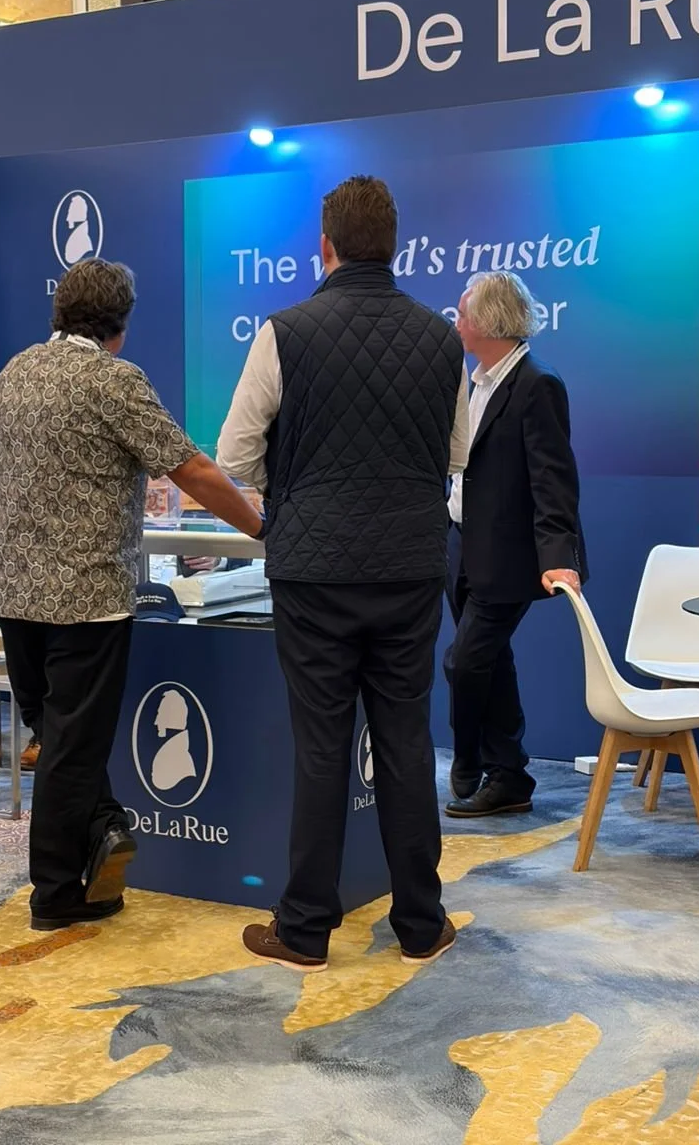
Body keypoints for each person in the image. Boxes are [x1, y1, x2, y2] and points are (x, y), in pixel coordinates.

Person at [218, 175, 469, 972]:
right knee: (405, 740)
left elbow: (233, 456)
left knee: (321, 747)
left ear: (323, 246)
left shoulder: (284, 330)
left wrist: (289, 501)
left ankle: (304, 931)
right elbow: (458, 454)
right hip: (409, 569)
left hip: (313, 574)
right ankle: (421, 924)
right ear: (393, 244)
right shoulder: (441, 339)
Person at [0, 258, 263, 932]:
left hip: (14, 594)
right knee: (74, 745)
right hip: (87, 597)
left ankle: (105, 830)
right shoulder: (114, 381)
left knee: (55, 734)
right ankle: (55, 893)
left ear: (58, 313)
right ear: (121, 326)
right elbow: (189, 466)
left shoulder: (12, 373)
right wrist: (259, 527)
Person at [444, 271, 587, 819]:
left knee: (465, 661)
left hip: (508, 558)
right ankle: (510, 776)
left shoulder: (536, 383)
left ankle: (469, 760)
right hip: (459, 546)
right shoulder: (474, 380)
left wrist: (558, 558)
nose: (454, 321)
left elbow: (554, 481)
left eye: (462, 312)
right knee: (492, 661)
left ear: (488, 321)